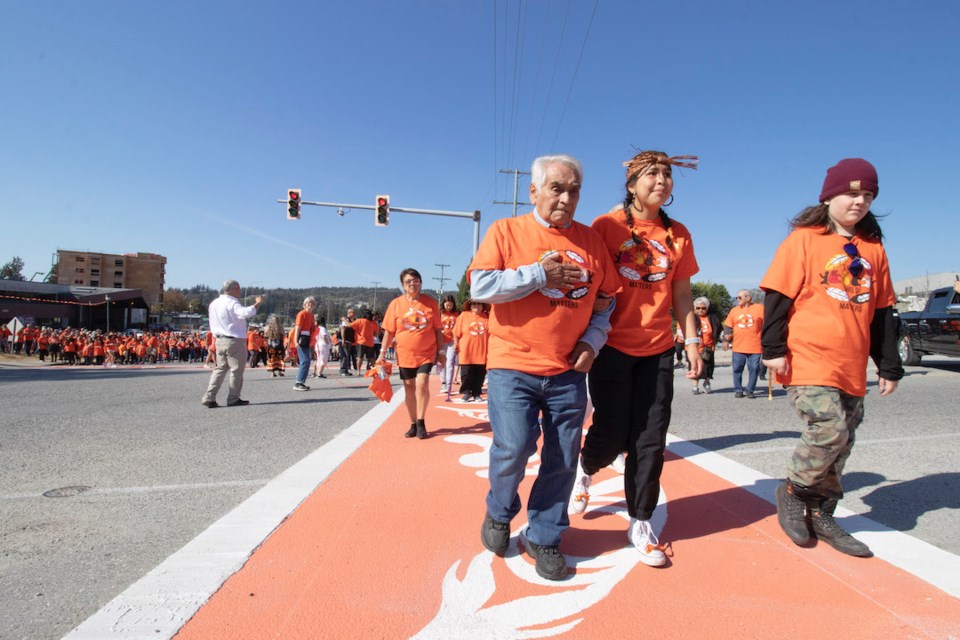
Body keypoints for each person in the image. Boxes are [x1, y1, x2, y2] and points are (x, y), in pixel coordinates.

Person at [471, 153, 621, 581]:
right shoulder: (506, 231)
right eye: (557, 188)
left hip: (568, 371)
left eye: (574, 190)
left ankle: (545, 534)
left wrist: (593, 342)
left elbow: (606, 302)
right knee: (514, 447)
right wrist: (539, 275)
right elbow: (481, 286)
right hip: (512, 364)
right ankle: (499, 512)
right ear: (533, 190)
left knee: (563, 456)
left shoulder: (592, 242)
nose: (566, 197)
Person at [762, 158, 902, 558]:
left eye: (868, 195)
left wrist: (889, 365)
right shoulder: (803, 240)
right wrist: (772, 350)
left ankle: (823, 514)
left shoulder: (873, 250)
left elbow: (881, 314)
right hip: (809, 357)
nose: (859, 201)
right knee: (829, 429)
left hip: (851, 363)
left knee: (843, 445)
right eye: (851, 193)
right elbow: (777, 296)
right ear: (829, 196)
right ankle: (793, 489)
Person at [570, 149, 702, 567]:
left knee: (650, 438)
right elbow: (588, 283)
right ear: (632, 185)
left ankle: (640, 521)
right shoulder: (606, 226)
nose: (661, 180)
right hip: (611, 345)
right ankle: (587, 468)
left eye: (667, 174)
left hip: (658, 348)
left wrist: (693, 341)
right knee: (610, 433)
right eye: (652, 174)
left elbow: (681, 294)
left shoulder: (678, 233)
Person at [378, 268, 444, 439]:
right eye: (408, 282)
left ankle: (421, 422)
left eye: (416, 280)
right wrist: (382, 353)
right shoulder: (396, 304)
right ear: (403, 286)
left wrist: (441, 351)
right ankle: (413, 423)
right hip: (405, 353)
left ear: (420, 283)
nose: (412, 284)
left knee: (422, 383)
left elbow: (438, 330)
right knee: (409, 387)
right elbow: (388, 332)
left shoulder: (430, 303)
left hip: (426, 352)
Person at [201, 280, 264, 407]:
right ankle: (233, 398)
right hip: (234, 340)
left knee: (220, 369)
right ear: (233, 289)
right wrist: (257, 303)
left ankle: (209, 396)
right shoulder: (232, 302)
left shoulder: (214, 303)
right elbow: (245, 313)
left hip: (219, 339)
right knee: (236, 370)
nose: (239, 292)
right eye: (238, 289)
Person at [722, 289, 764, 398]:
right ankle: (738, 390)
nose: (737, 299)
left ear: (748, 298)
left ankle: (750, 390)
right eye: (737, 297)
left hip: (755, 346)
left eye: (740, 297)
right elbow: (727, 326)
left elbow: (768, 323)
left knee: (754, 369)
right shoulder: (734, 310)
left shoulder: (759, 308)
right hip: (738, 347)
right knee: (737, 369)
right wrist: (725, 340)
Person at [452, 299, 489, 402]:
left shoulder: (487, 317)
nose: (476, 305)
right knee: (466, 373)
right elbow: (456, 332)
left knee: (480, 374)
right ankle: (467, 392)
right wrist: (455, 343)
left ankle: (477, 393)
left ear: (482, 306)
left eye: (478, 303)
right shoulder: (464, 315)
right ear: (470, 305)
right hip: (466, 350)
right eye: (473, 304)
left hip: (482, 350)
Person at [691, 296, 722, 394]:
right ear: (694, 308)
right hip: (695, 348)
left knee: (708, 367)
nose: (700, 310)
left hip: (708, 348)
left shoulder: (712, 318)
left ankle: (707, 382)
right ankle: (695, 386)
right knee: (695, 367)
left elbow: (718, 331)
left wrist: (716, 342)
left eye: (703, 308)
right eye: (698, 308)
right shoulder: (691, 318)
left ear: (707, 308)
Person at [293, 297, 317, 391]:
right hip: (301, 337)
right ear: (305, 304)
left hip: (307, 338)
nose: (310, 305)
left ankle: (301, 381)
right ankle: (299, 382)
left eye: (312, 303)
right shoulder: (302, 314)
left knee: (307, 360)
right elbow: (297, 328)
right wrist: (295, 340)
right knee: (305, 360)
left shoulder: (311, 316)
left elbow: (312, 329)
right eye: (308, 303)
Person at [438, 295, 460, 393]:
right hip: (441, 341)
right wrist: (440, 332)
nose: (449, 307)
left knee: (449, 362)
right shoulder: (440, 313)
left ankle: (448, 384)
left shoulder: (456, 314)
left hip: (452, 341)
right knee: (441, 362)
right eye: (447, 305)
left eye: (451, 305)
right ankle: (443, 382)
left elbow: (459, 327)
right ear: (443, 304)